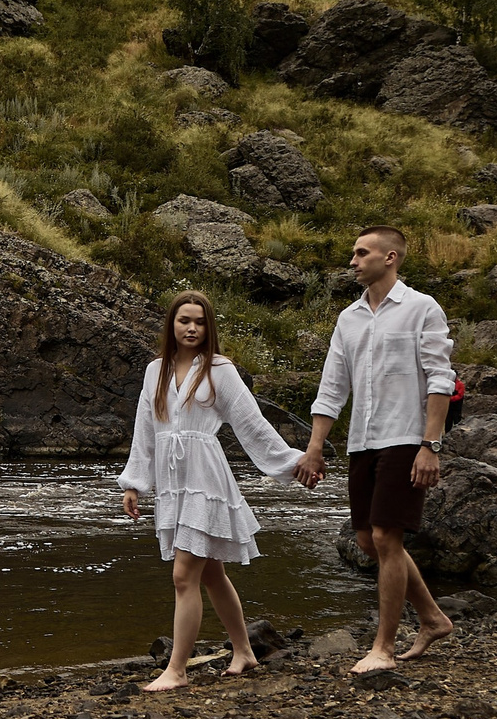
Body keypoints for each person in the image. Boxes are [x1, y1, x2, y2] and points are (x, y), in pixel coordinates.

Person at [118, 290, 305, 693]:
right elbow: (145, 431)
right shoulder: (156, 370)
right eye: (184, 320)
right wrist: (135, 483)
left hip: (205, 477)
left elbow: (252, 424)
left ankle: (177, 670)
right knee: (212, 573)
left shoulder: (220, 369)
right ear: (171, 324)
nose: (192, 328)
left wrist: (294, 463)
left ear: (209, 328)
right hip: (172, 480)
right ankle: (244, 651)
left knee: (184, 575)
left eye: (200, 322)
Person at [292, 224, 457, 675]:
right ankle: (432, 618)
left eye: (361, 253)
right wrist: (314, 447)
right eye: (353, 253)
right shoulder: (349, 318)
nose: (352, 261)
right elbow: (332, 387)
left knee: (386, 537)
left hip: (406, 437)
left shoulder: (422, 308)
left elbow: (441, 379)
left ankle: (382, 648)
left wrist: (431, 445)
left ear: (390, 258)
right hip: (362, 441)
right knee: (366, 539)